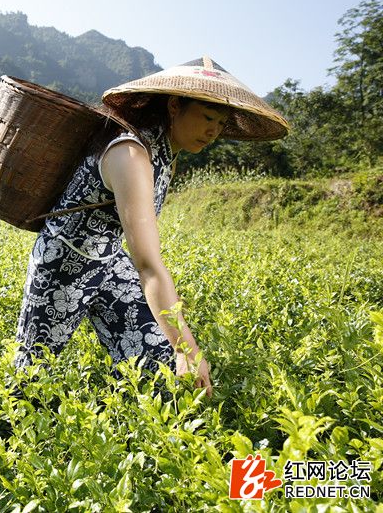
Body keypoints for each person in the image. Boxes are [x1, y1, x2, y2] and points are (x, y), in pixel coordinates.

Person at [14, 57, 289, 395]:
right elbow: (147, 264)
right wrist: (187, 348)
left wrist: (177, 344)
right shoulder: (130, 153)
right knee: (30, 378)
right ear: (175, 106)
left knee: (157, 365)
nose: (213, 132)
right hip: (64, 261)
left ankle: (132, 435)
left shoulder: (165, 155)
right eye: (206, 117)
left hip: (110, 259)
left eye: (220, 123)